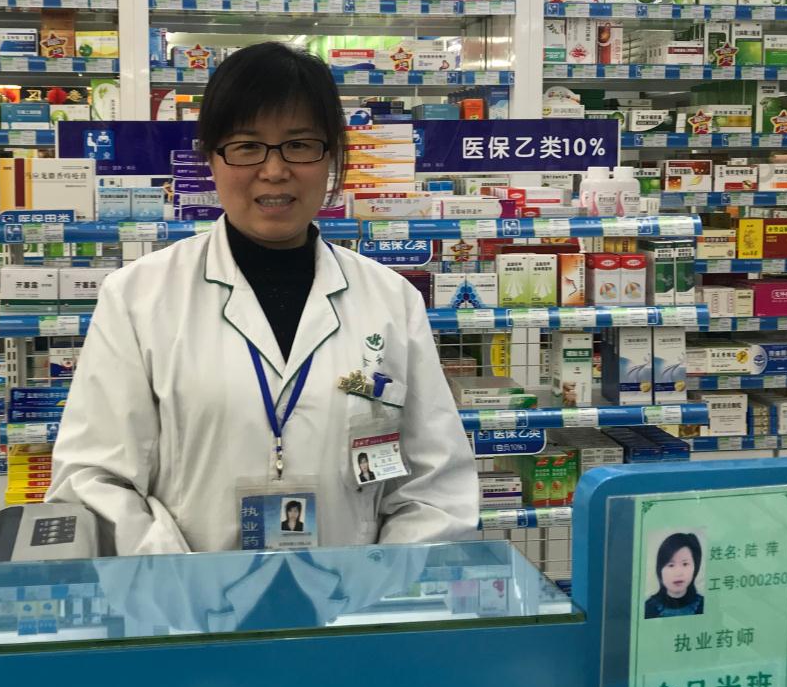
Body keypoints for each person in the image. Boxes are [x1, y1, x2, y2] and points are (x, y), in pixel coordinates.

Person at [47, 42, 478, 554]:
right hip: (190, 595)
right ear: (211, 157)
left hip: (349, 597)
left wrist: (373, 585)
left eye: (299, 145)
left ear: (332, 156)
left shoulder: (391, 301)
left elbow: (435, 490)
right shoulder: (139, 298)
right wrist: (185, 585)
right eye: (247, 146)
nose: (274, 170)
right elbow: (93, 480)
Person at [644, 533, 705, 619]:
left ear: (695, 567)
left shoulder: (704, 605)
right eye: (671, 565)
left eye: (685, 564)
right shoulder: (648, 608)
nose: (678, 573)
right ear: (660, 569)